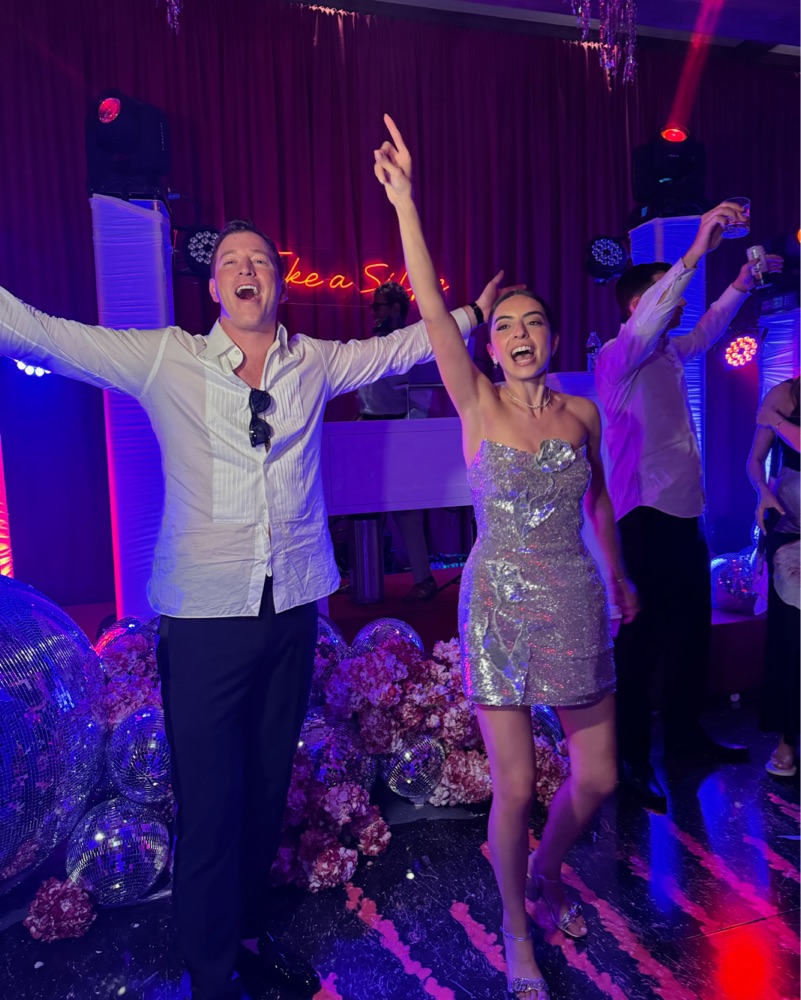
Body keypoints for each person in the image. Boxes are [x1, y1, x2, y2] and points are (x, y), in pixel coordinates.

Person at [0, 220, 499, 1000]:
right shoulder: (167, 358)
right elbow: (50, 336)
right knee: (210, 801)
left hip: (290, 608)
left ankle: (245, 938)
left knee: (267, 791)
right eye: (231, 261)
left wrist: (469, 317)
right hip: (205, 617)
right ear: (213, 286)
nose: (246, 270)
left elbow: (400, 348)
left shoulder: (313, 361)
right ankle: (209, 976)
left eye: (260, 261)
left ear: (277, 281)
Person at [374, 115, 639, 1000]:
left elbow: (596, 498)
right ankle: (516, 926)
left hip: (573, 598)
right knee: (516, 786)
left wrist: (617, 571)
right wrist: (405, 203)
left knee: (596, 777)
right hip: (496, 605)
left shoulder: (582, 415)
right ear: (489, 344)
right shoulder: (476, 403)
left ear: (553, 338)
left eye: (534, 323)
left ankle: (546, 870)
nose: (520, 333)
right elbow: (427, 308)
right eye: (506, 325)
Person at [594, 206, 784, 813]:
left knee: (690, 635)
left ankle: (683, 739)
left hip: (684, 513)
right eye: (663, 294)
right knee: (642, 641)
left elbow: (706, 329)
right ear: (637, 306)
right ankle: (627, 757)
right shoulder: (619, 356)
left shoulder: (668, 353)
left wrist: (741, 284)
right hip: (645, 515)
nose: (674, 303)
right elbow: (658, 314)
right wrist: (698, 248)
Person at [357, 281, 438, 601]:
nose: (373, 312)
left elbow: (422, 402)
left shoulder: (414, 347)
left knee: (407, 509)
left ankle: (423, 578)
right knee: (364, 508)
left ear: (395, 308)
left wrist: (407, 440)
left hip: (399, 432)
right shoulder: (370, 344)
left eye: (378, 306)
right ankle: (367, 580)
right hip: (366, 432)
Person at [746, 376, 800, 776]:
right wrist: (762, 489)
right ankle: (788, 738)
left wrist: (777, 421)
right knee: (790, 638)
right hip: (791, 528)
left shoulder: (777, 409)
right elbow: (754, 461)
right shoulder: (784, 394)